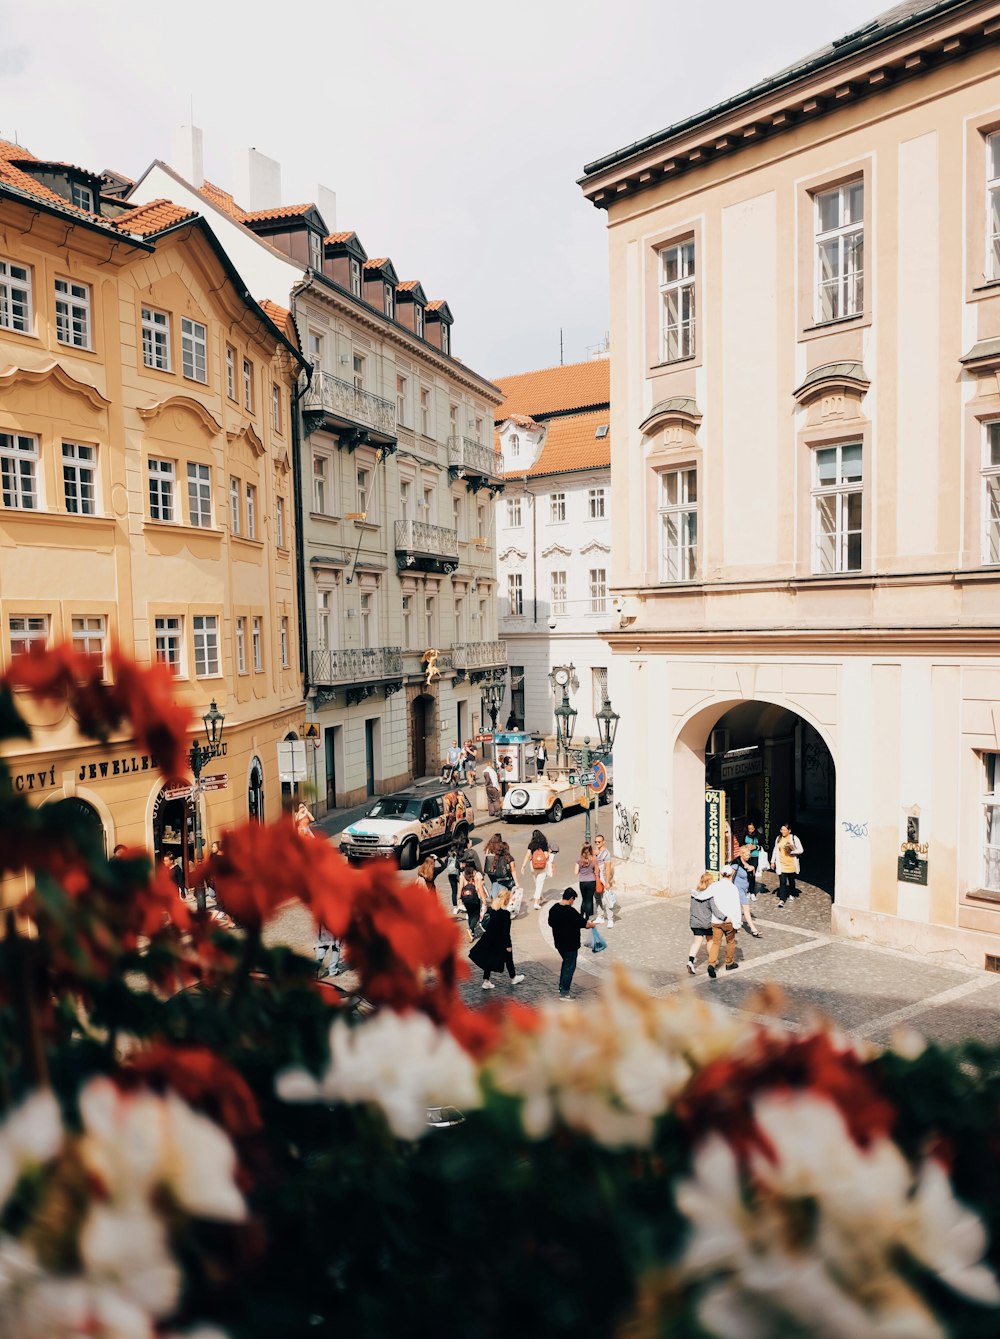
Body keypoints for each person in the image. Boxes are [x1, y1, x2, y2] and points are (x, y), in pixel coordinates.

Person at [470, 888, 525, 990]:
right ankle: (513, 977)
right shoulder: (505, 914)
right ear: (506, 900)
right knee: (508, 958)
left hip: (489, 938)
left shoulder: (492, 910)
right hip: (500, 940)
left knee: (488, 959)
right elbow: (505, 932)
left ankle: (486, 980)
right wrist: (508, 945)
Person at [548, 888, 594, 1000]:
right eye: (573, 900)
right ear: (571, 898)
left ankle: (561, 986)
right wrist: (593, 925)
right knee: (569, 967)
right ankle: (564, 992)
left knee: (565, 965)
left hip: (559, 944)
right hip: (570, 945)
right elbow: (585, 924)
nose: (573, 902)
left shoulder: (554, 909)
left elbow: (550, 923)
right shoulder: (571, 912)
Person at [707, 865, 742, 978]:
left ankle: (711, 964)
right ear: (731, 875)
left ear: (720, 874)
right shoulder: (733, 888)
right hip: (729, 921)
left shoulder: (714, 886)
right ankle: (729, 962)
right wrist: (737, 923)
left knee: (716, 942)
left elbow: (707, 899)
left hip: (716, 920)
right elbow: (737, 907)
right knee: (730, 942)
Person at [687, 871, 725, 974]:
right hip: (707, 923)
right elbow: (715, 910)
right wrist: (724, 918)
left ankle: (690, 961)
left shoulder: (694, 894)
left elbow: (692, 909)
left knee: (697, 942)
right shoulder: (709, 896)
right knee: (710, 941)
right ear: (710, 882)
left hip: (695, 922)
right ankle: (713, 960)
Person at [731, 845, 762, 937]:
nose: (749, 856)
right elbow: (729, 877)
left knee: (737, 908)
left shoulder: (748, 862)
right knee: (746, 908)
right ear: (742, 854)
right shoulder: (736, 863)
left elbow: (751, 876)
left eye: (749, 855)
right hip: (737, 889)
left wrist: (752, 869)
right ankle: (753, 929)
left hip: (744, 889)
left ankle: (735, 925)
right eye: (747, 855)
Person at [771, 823, 804, 907]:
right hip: (781, 864)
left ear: (789, 831)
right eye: (781, 830)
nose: (783, 831)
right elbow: (775, 850)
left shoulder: (794, 838)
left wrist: (791, 851)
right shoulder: (778, 838)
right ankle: (782, 899)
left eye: (784, 830)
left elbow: (801, 850)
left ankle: (792, 893)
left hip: (791, 864)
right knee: (782, 882)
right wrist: (772, 861)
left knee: (791, 880)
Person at [522, 829, 552, 909]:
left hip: (533, 866)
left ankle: (542, 898)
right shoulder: (544, 843)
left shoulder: (531, 844)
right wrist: (549, 853)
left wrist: (523, 866)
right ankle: (536, 903)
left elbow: (527, 855)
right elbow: (546, 856)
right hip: (542, 867)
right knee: (539, 884)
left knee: (537, 883)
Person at [458, 861, 488, 942]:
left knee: (470, 914)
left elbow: (460, 887)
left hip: (465, 898)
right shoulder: (477, 875)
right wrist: (484, 900)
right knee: (476, 915)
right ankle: (470, 929)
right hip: (474, 898)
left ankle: (472, 934)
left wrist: (459, 898)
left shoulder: (462, 875)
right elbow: (480, 888)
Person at [593, 833, 614, 927]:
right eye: (596, 842)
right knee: (597, 896)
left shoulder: (606, 853)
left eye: (599, 842)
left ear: (603, 842)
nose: (597, 843)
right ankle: (600, 916)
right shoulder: (596, 851)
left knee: (607, 899)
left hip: (604, 878)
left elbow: (608, 868)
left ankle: (610, 919)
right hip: (597, 878)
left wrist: (607, 882)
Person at [575, 844, 599, 921]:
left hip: (582, 881)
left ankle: (581, 915)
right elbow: (596, 871)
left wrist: (581, 871)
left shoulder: (579, 859)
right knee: (589, 899)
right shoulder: (594, 859)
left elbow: (575, 872)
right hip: (591, 881)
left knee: (584, 899)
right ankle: (587, 918)